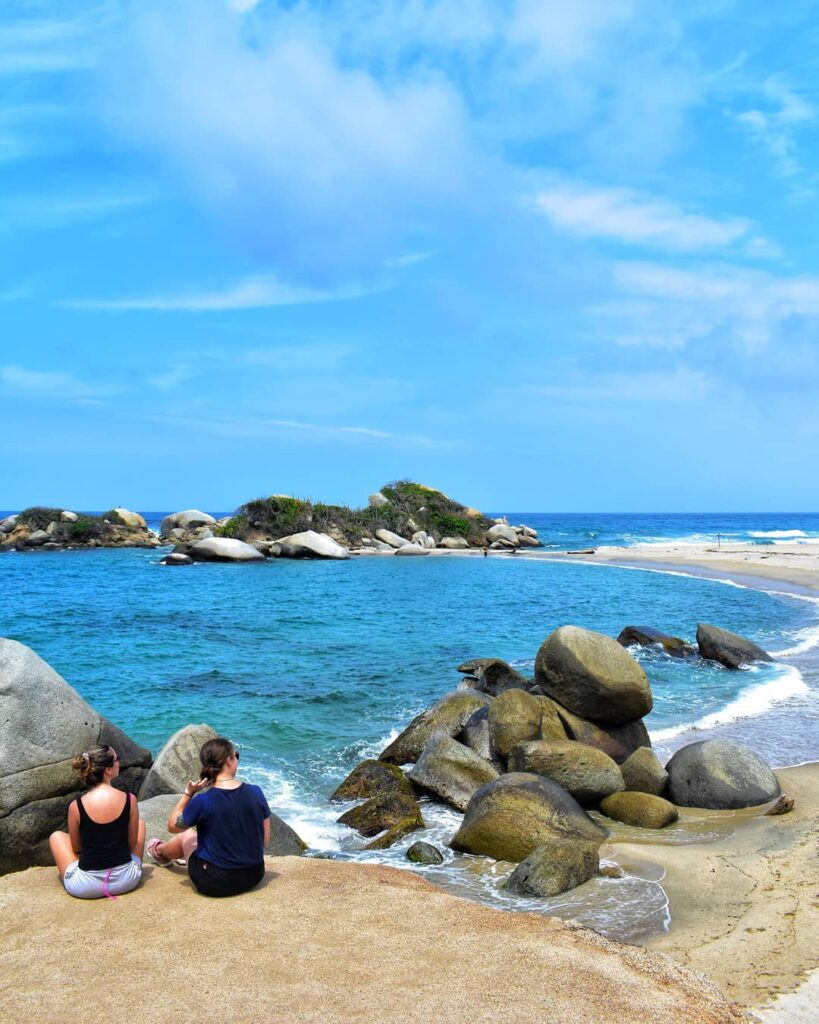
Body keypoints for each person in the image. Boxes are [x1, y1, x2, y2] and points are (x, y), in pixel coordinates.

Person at [147, 736, 271, 898]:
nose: (237, 760)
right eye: (236, 756)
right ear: (228, 761)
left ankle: (159, 851)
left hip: (216, 882)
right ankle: (171, 853)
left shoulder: (203, 801)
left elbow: (172, 826)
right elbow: (265, 840)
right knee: (200, 839)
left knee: (186, 835)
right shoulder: (256, 792)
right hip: (254, 875)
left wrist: (188, 793)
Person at [49, 745, 145, 899]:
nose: (119, 762)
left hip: (85, 887)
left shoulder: (76, 806)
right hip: (126, 880)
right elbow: (132, 843)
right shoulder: (130, 799)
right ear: (107, 770)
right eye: (117, 759)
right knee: (140, 824)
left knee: (56, 837)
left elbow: (76, 847)